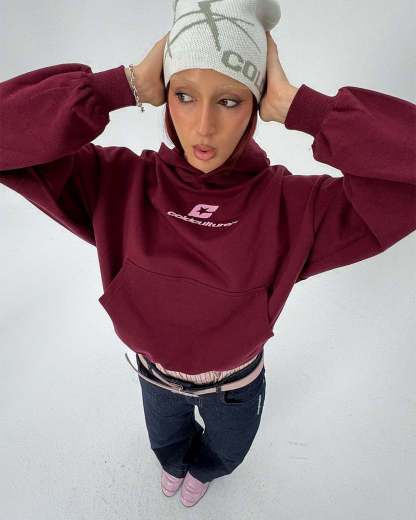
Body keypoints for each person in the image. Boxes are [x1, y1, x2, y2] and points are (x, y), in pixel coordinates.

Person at [1, 0, 415, 509]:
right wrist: (118, 87)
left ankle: (205, 471)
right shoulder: (116, 183)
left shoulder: (293, 206)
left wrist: (304, 109)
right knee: (165, 444)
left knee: (225, 451)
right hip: (153, 377)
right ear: (164, 93)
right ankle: (175, 464)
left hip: (236, 386)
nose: (202, 127)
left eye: (229, 101)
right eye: (184, 94)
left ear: (256, 104)